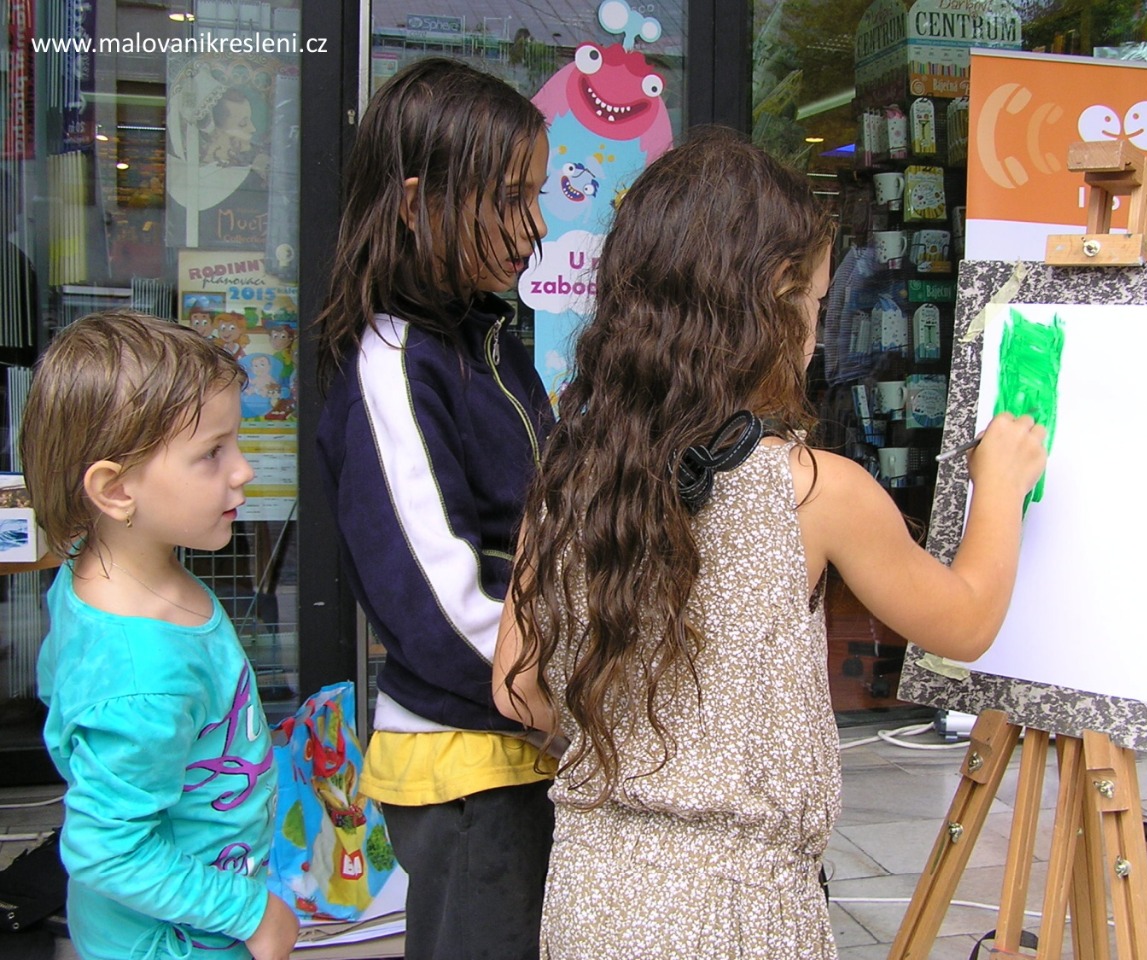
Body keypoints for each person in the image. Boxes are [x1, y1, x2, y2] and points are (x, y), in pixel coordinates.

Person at [493, 130, 1048, 960]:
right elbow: (964, 622)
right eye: (816, 302)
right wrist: (999, 485)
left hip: (589, 895)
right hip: (735, 910)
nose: (818, 331)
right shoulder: (814, 490)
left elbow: (518, 693)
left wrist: (633, 738)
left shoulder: (571, 475)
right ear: (774, 301)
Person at [314, 57, 554, 960]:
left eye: (538, 195)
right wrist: (564, 698)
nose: (536, 226)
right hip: (470, 760)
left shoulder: (489, 342)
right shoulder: (394, 360)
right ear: (416, 204)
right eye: (511, 198)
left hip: (520, 737)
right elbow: (439, 603)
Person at [19, 310, 298, 960]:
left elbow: (59, 694)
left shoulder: (93, 569)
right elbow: (106, 849)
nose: (243, 471)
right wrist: (251, 913)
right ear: (116, 490)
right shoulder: (140, 675)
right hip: (174, 942)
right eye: (212, 453)